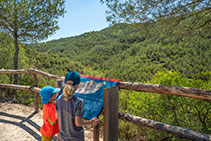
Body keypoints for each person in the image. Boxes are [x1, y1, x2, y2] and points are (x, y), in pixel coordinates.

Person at [56, 71, 99, 141]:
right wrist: (91, 122)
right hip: (76, 137)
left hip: (63, 137)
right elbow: (78, 123)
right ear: (78, 84)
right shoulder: (78, 102)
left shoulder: (59, 98)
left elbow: (57, 116)